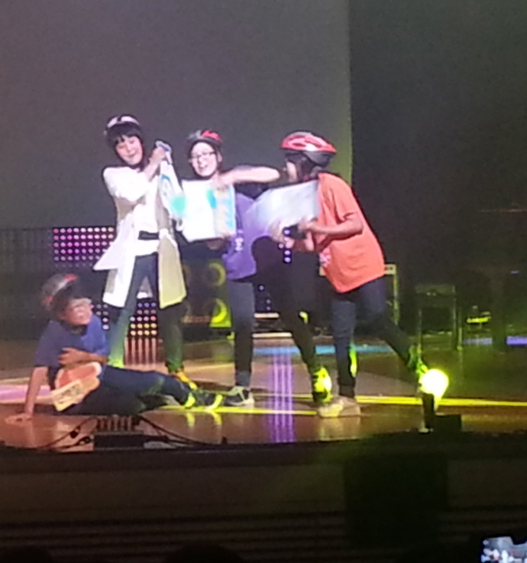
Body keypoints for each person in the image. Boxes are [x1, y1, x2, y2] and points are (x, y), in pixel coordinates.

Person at [277, 131, 431, 417]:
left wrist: (317, 228)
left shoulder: (332, 185)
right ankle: (347, 396)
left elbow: (355, 224)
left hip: (362, 264)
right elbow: (311, 244)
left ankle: (420, 372)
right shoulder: (300, 197)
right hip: (336, 273)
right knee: (341, 335)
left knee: (377, 318)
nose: (285, 168)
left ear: (304, 162)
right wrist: (288, 242)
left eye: (289, 161)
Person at [183, 129, 330, 406]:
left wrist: (232, 178)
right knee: (242, 323)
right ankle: (242, 386)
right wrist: (216, 237)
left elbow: (273, 174)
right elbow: (212, 244)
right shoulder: (197, 195)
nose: (201, 160)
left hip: (267, 257)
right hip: (237, 263)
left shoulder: (240, 177)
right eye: (195, 156)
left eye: (206, 153)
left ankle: (316, 371)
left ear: (218, 156)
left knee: (290, 316)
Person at [7, 274, 219, 423]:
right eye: (76, 307)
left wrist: (84, 357)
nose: (84, 311)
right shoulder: (54, 332)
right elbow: (40, 370)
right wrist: (28, 411)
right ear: (61, 314)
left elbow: (103, 359)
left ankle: (192, 397)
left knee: (158, 380)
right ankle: (152, 399)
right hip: (76, 396)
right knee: (131, 406)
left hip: (101, 375)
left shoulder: (95, 322)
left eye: (86, 304)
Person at [95, 114, 191, 382]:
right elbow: (130, 194)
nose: (128, 148)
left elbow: (178, 203)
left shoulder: (162, 169)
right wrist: (153, 164)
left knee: (171, 310)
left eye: (132, 140)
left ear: (141, 140)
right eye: (120, 144)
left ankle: (176, 369)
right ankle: (113, 371)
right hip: (133, 249)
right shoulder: (114, 174)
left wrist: (168, 174)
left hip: (162, 248)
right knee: (121, 310)